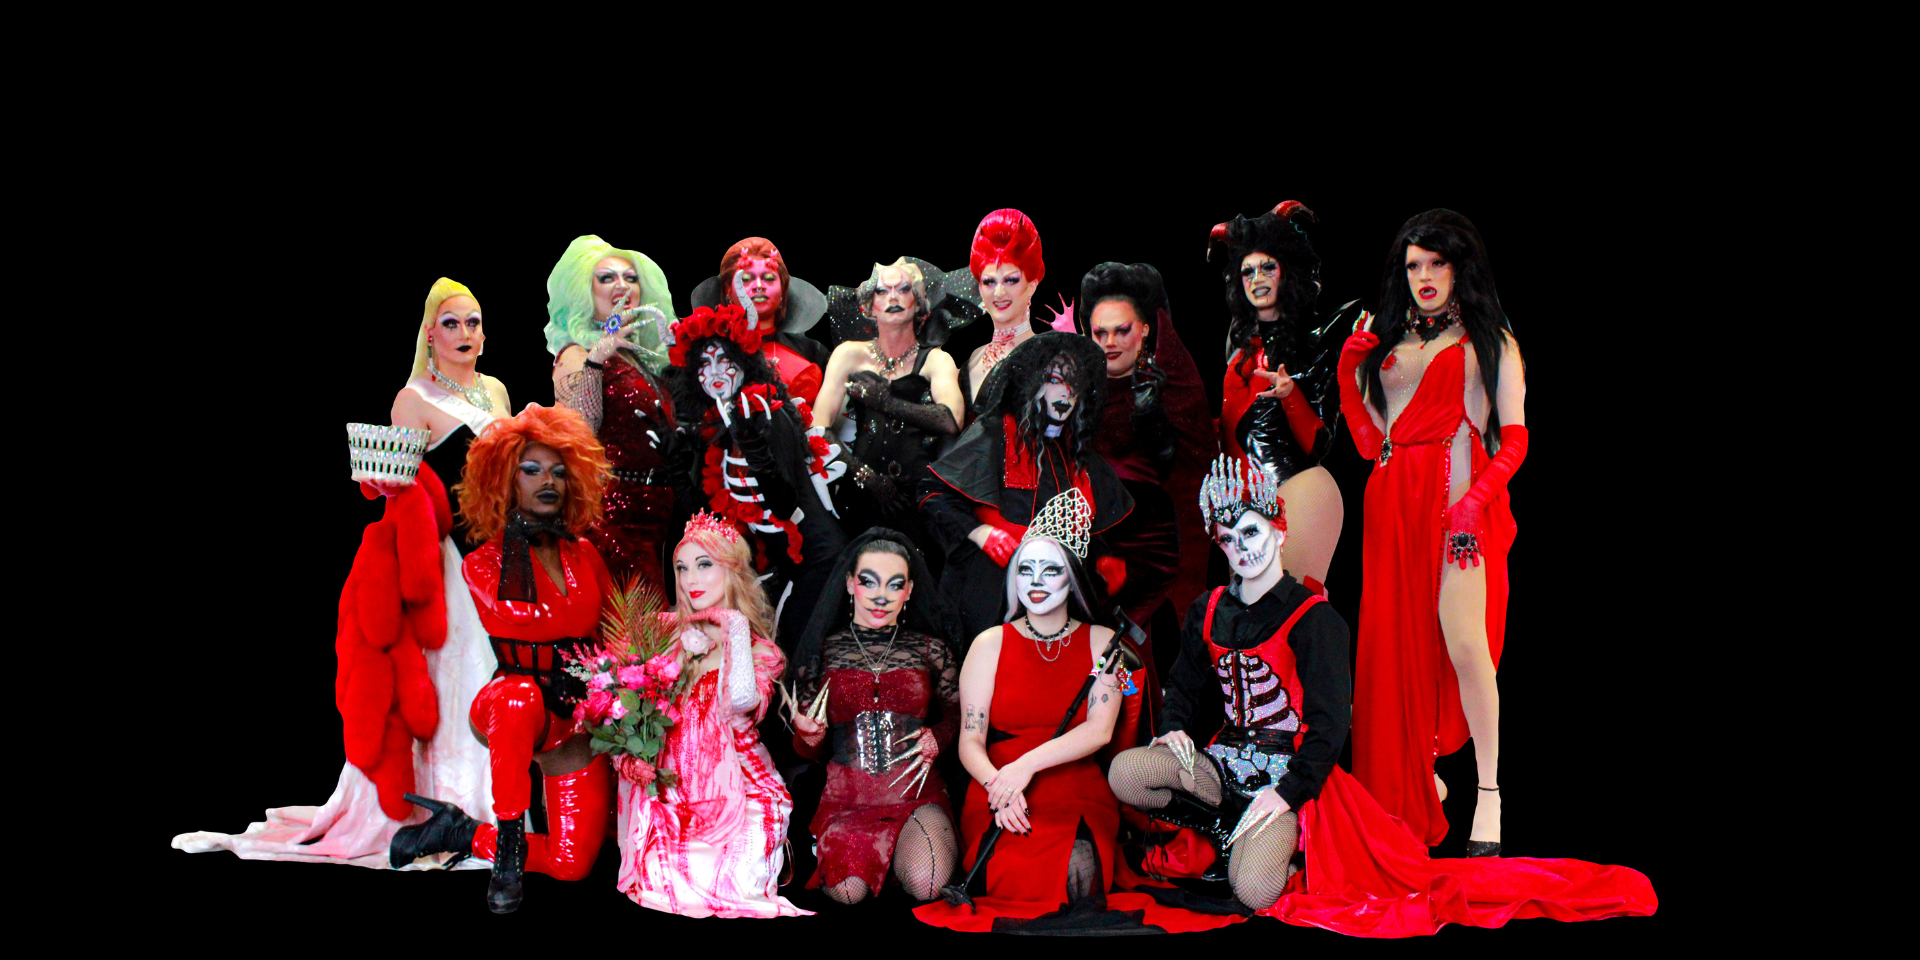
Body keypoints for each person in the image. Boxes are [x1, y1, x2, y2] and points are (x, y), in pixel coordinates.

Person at [1107, 456, 1656, 937]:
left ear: (1278, 531)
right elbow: (1183, 685)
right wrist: (1173, 727)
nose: (1240, 549)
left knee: (1253, 891)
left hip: (1291, 778)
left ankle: (1282, 852)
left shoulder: (1314, 619)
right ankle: (1224, 833)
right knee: (1126, 774)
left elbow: (1329, 728)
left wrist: (1287, 794)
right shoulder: (1209, 608)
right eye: (1227, 539)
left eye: (1249, 533)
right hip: (1223, 764)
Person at [172, 278, 503, 869]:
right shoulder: (412, 398)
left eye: (473, 322)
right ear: (431, 334)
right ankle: (453, 813)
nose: (464, 333)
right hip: (450, 561)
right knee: (461, 678)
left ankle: (499, 812)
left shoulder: (497, 391)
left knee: (500, 678)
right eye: (451, 323)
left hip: (500, 555)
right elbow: (402, 487)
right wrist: (385, 487)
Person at [1341, 209, 1526, 854]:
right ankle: (1413, 785)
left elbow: (1516, 437)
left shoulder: (1490, 341)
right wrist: (1348, 377)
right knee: (1394, 648)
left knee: (1466, 644)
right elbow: (1371, 443)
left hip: (1459, 504)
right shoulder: (1388, 342)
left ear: (1459, 267)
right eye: (1413, 265)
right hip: (1391, 502)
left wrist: (1478, 500)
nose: (1423, 275)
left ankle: (1490, 795)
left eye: (1436, 263)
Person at [389, 403, 617, 914]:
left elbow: (615, 633)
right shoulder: (484, 562)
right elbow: (524, 616)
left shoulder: (586, 554)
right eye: (531, 469)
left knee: (573, 864)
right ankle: (509, 847)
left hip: (574, 717)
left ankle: (463, 832)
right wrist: (517, 533)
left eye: (559, 471)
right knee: (518, 697)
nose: (548, 481)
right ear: (504, 480)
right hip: (511, 706)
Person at [914, 493, 1127, 930]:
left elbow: (1100, 731)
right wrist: (1000, 785)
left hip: (1075, 785)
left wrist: (1025, 767)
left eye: (1051, 570)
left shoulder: (1105, 641)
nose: (1036, 581)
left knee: (1079, 872)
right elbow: (970, 740)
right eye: (1026, 569)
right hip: (998, 788)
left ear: (1072, 578)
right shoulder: (988, 644)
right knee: (1008, 875)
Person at [615, 511, 810, 917]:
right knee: (663, 893)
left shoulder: (758, 650)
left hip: (744, 794)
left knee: (732, 893)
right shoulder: (658, 634)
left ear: (732, 570)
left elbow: (741, 703)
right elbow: (623, 714)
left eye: (704, 565)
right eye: (682, 568)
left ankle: (770, 847)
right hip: (672, 797)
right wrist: (628, 759)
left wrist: (735, 628)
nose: (691, 579)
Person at [919, 333, 1133, 648]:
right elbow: (932, 494)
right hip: (993, 591)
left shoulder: (1076, 453)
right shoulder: (995, 434)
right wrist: (982, 533)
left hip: (1060, 598)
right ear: (1034, 384)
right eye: (1055, 380)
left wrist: (1099, 558)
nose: (1067, 391)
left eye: (1075, 382)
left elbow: (1072, 523)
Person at [788, 529, 962, 904]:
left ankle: (898, 861)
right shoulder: (823, 652)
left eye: (894, 584)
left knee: (928, 882)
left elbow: (960, 713)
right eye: (869, 582)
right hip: (847, 802)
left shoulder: (931, 649)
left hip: (917, 796)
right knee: (848, 893)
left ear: (909, 591)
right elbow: (804, 750)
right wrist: (809, 739)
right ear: (850, 584)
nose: (881, 596)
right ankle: (877, 860)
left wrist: (940, 735)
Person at [664, 296, 846, 645]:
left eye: (724, 360)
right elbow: (707, 523)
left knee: (794, 659)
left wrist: (756, 449)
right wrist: (673, 463)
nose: (715, 373)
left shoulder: (770, 414)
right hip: (779, 568)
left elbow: (785, 505)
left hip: (819, 564)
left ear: (744, 362)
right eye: (704, 363)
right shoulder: (722, 427)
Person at [1075, 262, 1219, 698]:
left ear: (1145, 331)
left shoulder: (1169, 386)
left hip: (1153, 544)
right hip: (1091, 541)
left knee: (1144, 654)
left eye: (1121, 331)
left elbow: (1186, 466)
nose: (1110, 342)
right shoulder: (1077, 391)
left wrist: (1151, 417)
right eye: (1100, 333)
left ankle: (1155, 728)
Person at [1208, 201, 1363, 595]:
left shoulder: (1313, 343)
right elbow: (1230, 427)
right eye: (1247, 271)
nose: (1257, 279)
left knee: (1287, 611)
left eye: (1267, 268)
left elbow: (1319, 443)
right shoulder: (1239, 344)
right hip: (1240, 506)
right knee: (1246, 617)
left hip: (1293, 495)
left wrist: (1291, 394)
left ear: (1287, 271)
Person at [546, 235, 683, 594]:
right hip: (614, 514)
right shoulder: (576, 354)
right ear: (585, 294)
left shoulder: (642, 358)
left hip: (657, 510)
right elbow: (576, 431)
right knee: (629, 621)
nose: (622, 285)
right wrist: (597, 358)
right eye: (606, 278)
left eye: (630, 278)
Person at [813, 258, 966, 558]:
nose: (893, 297)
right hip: (859, 491)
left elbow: (951, 420)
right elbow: (818, 428)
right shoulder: (848, 354)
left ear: (918, 302)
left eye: (903, 289)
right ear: (869, 306)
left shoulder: (936, 359)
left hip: (915, 497)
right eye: (882, 291)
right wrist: (867, 478)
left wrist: (887, 403)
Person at [688, 237, 830, 406]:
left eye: (769, 278)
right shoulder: (703, 350)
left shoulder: (813, 352)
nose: (758, 285)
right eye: (746, 279)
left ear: (783, 290)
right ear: (728, 290)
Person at [958, 209, 1050, 408]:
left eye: (1011, 280)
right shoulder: (973, 359)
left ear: (1031, 286)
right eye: (989, 282)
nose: (999, 292)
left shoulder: (1048, 357)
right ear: (980, 288)